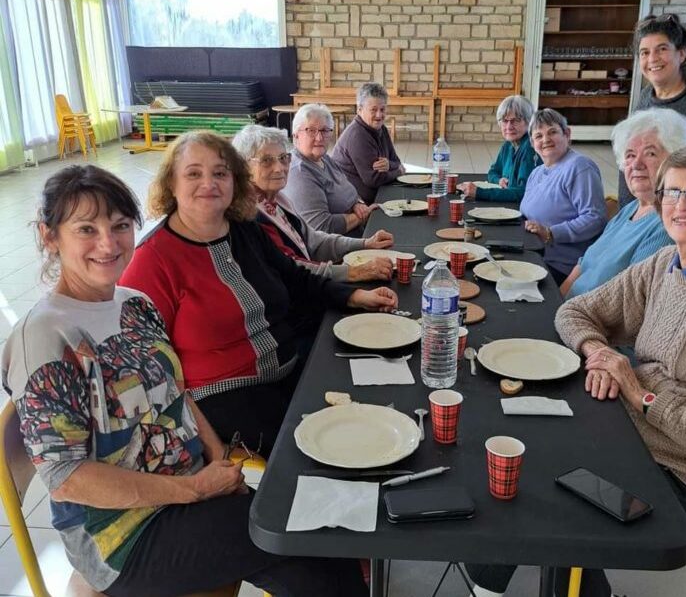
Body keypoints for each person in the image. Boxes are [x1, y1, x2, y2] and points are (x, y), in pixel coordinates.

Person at [1, 164, 368, 597]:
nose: (107, 243)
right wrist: (193, 489)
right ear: (49, 236)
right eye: (86, 229)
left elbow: (178, 394)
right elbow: (66, 477)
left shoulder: (135, 304)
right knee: (305, 532)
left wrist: (216, 461)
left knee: (323, 565)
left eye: (120, 226)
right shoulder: (45, 336)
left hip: (189, 495)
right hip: (125, 538)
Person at [469, 144, 686, 597]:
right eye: (671, 193)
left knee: (545, 479)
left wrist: (640, 393)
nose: (680, 207)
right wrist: (599, 353)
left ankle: (495, 581)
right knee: (527, 430)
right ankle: (509, 577)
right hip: (637, 430)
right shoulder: (667, 263)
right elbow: (575, 313)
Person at [120, 131, 397, 457]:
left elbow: (295, 277)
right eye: (194, 173)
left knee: (370, 405)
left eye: (220, 173)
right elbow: (149, 370)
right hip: (223, 396)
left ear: (235, 180)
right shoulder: (152, 260)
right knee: (324, 449)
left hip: (290, 368)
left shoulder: (245, 226)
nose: (209, 183)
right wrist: (210, 448)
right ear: (171, 185)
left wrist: (354, 297)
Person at [560, 108, 686, 298]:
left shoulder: (668, 226)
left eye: (650, 154)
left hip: (589, 322)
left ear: (677, 161)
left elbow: (629, 302)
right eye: (630, 155)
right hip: (568, 310)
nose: (636, 164)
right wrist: (555, 303)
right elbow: (584, 264)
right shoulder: (631, 209)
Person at [233, 124, 395, 282]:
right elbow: (292, 268)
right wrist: (353, 272)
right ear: (244, 167)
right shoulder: (250, 215)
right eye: (266, 160)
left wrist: (365, 244)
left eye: (283, 158)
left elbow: (313, 240)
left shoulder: (279, 199)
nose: (279, 168)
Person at [618, 12, 686, 207]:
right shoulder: (646, 97)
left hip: (679, 214)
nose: (652, 59)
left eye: (662, 49)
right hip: (643, 210)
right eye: (644, 52)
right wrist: (627, 214)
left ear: (682, 53)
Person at [519, 109, 607, 285]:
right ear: (532, 142)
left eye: (552, 132)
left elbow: (595, 218)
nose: (545, 140)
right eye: (538, 136)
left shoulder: (579, 167)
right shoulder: (537, 173)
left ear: (567, 134)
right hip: (533, 253)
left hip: (561, 265)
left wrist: (551, 233)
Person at [283, 103, 376, 236]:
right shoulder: (299, 172)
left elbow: (348, 189)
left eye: (325, 130)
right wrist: (363, 215)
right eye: (311, 130)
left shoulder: (325, 159)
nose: (319, 138)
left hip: (358, 233)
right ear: (296, 135)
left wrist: (358, 203)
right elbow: (322, 227)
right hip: (338, 248)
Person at [331, 82, 406, 204]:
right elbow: (374, 179)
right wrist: (398, 172)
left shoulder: (381, 129)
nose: (379, 115)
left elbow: (396, 161)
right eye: (373, 110)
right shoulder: (357, 135)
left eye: (382, 109)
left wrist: (389, 165)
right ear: (359, 110)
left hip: (379, 193)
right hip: (356, 204)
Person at [457, 95, 538, 202]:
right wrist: (499, 180)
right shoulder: (508, 145)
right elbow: (493, 172)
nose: (509, 126)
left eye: (516, 120)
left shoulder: (530, 148)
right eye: (505, 120)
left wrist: (480, 192)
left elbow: (522, 194)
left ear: (529, 122)